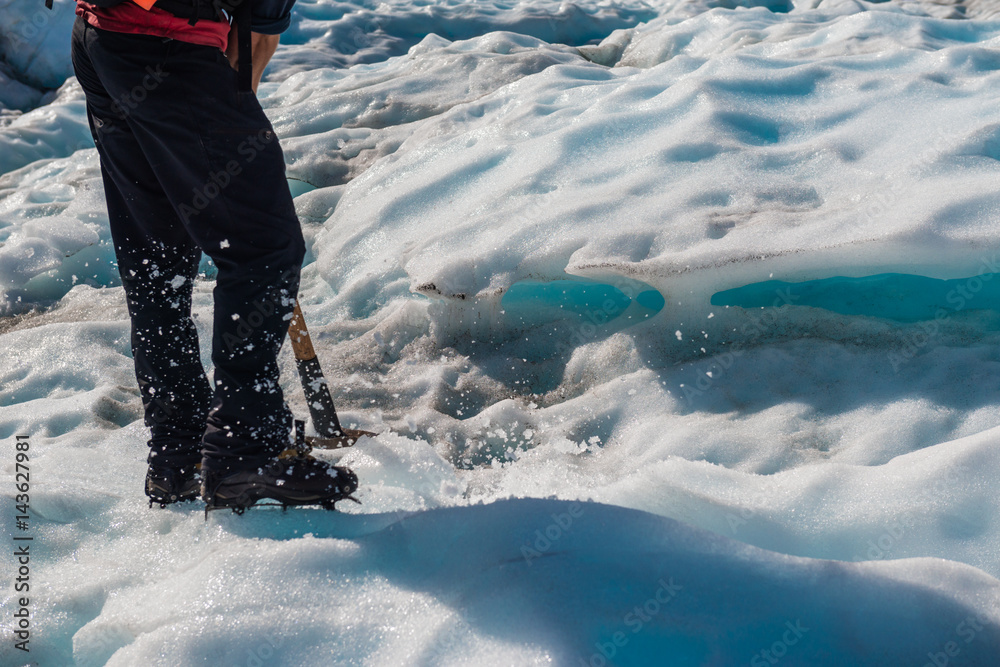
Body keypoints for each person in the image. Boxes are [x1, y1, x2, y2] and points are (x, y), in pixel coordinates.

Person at [70, 0, 357, 510]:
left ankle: (181, 453)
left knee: (156, 259)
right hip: (168, 47)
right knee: (263, 246)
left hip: (104, 34)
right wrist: (258, 29)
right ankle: (245, 448)